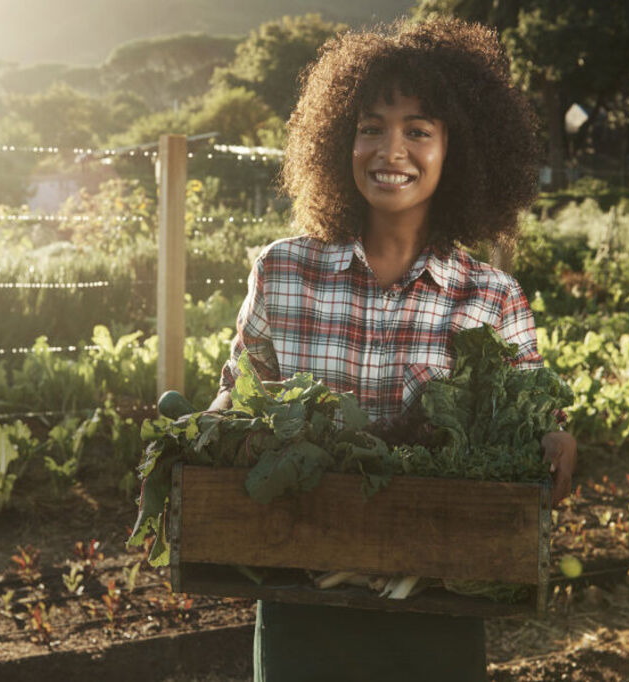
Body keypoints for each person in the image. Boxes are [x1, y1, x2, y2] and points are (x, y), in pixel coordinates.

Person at [208, 17, 577, 682]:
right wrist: (214, 423)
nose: (391, 150)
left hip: (435, 600)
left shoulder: (491, 297)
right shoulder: (283, 271)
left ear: (455, 149)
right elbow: (238, 390)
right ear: (337, 141)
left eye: (418, 130)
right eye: (370, 126)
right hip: (303, 591)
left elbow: (535, 420)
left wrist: (556, 440)